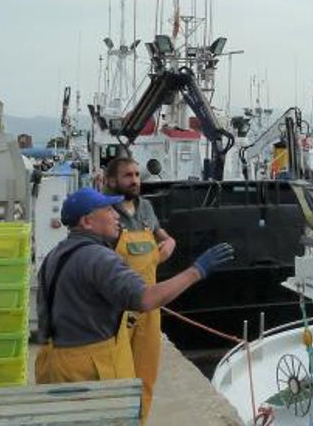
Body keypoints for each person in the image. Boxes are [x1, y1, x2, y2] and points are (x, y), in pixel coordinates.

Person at [34, 188, 232, 424]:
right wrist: (196, 271)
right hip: (90, 368)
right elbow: (146, 299)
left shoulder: (55, 255)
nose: (116, 215)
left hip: (54, 363)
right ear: (87, 221)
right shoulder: (100, 258)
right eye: (108, 210)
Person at [102, 156, 177, 420]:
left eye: (136, 174)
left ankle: (140, 421)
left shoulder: (145, 207)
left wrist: (169, 242)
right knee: (116, 373)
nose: (135, 180)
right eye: (128, 176)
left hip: (150, 306)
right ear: (111, 181)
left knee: (146, 372)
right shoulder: (104, 213)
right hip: (117, 309)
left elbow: (161, 234)